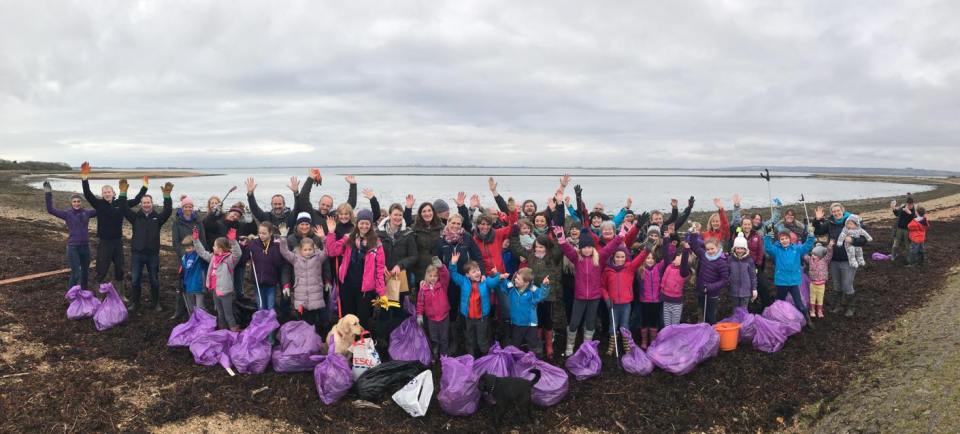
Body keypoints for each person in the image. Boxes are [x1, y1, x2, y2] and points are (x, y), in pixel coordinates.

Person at [79, 162, 147, 299]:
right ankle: (98, 296)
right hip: (104, 242)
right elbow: (87, 194)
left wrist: (144, 187)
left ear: (114, 193)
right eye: (104, 192)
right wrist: (84, 177)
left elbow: (136, 200)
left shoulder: (121, 203)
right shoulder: (99, 204)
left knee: (120, 269)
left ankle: (121, 295)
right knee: (101, 270)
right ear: (102, 194)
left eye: (109, 192)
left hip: (117, 241)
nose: (107, 194)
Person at [558, 226, 621, 357]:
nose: (587, 250)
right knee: (574, 323)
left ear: (593, 247)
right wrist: (561, 239)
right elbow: (566, 248)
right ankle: (569, 347)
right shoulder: (576, 258)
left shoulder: (600, 257)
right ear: (580, 248)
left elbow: (611, 247)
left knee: (590, 323)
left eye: (589, 247)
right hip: (579, 297)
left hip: (594, 297)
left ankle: (587, 347)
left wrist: (622, 234)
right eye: (584, 247)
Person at [325, 210, 386, 332]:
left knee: (362, 320)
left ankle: (361, 346)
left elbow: (379, 270)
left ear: (371, 225)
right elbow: (331, 251)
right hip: (346, 285)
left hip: (365, 290)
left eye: (367, 223)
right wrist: (331, 233)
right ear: (357, 224)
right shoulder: (348, 239)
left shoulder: (377, 243)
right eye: (361, 223)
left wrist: (382, 292)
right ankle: (348, 346)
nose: (364, 226)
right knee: (347, 319)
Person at [119, 181, 174, 312]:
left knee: (154, 280)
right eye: (144, 203)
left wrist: (167, 196)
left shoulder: (158, 219)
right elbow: (123, 208)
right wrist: (122, 193)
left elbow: (167, 210)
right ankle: (135, 303)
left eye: (148, 202)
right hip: (137, 254)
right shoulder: (135, 218)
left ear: (152, 203)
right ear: (141, 204)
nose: (146, 205)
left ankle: (156, 304)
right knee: (135, 281)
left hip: (153, 255)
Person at [814, 203, 869, 317]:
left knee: (847, 285)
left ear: (843, 211)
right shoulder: (830, 223)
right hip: (834, 259)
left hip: (848, 260)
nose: (836, 213)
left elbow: (864, 239)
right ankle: (838, 305)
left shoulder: (852, 221)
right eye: (834, 211)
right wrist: (816, 220)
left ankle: (850, 307)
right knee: (837, 285)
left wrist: (853, 240)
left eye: (838, 211)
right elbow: (818, 231)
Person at [447, 251, 503, 357]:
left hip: (481, 317)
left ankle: (485, 355)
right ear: (467, 275)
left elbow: (494, 282)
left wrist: (496, 274)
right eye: (473, 272)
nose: (477, 273)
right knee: (469, 337)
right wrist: (453, 264)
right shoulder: (463, 281)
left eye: (478, 270)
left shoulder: (485, 282)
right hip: (468, 317)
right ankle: (471, 356)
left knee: (482, 338)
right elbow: (453, 274)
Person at [44, 181, 97, 291]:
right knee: (76, 273)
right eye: (74, 201)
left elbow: (102, 209)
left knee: (85, 273)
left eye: (78, 201)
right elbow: (50, 210)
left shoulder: (87, 213)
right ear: (71, 203)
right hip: (73, 247)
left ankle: (84, 293)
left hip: (85, 247)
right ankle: (71, 295)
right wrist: (48, 193)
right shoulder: (67, 214)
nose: (76, 203)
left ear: (81, 203)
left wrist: (111, 200)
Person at [278, 230, 331, 336]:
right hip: (301, 296)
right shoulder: (295, 258)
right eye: (305, 250)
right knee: (302, 321)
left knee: (313, 320)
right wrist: (283, 238)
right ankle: (304, 341)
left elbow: (327, 251)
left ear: (314, 248)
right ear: (300, 250)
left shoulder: (318, 258)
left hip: (315, 295)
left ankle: (314, 340)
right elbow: (284, 252)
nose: (308, 251)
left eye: (310, 249)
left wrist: (323, 239)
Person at [764, 226, 816, 327]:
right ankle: (778, 318)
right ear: (779, 240)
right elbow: (768, 247)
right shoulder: (776, 250)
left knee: (799, 303)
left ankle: (807, 319)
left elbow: (807, 246)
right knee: (779, 302)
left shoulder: (796, 248)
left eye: (786, 238)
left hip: (793, 282)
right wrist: (768, 237)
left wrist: (811, 236)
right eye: (782, 239)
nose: (784, 240)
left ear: (790, 239)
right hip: (781, 282)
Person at [601, 246, 649, 354]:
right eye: (617, 257)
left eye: (622, 257)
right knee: (612, 324)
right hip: (612, 304)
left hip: (626, 303)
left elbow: (639, 260)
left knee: (625, 324)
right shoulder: (608, 270)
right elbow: (602, 286)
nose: (620, 259)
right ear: (613, 257)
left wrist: (647, 250)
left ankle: (626, 344)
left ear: (626, 257)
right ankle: (612, 345)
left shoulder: (629, 268)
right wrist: (607, 298)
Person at [192, 227, 242, 331]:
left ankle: (234, 331)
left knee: (228, 315)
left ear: (221, 248)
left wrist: (233, 241)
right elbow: (202, 252)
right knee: (220, 314)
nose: (213, 247)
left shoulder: (229, 260)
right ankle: (222, 332)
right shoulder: (213, 257)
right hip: (215, 291)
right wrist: (196, 240)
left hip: (225, 293)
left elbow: (238, 254)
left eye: (214, 246)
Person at [498, 269, 550, 357]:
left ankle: (534, 361)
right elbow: (505, 285)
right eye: (516, 278)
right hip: (516, 322)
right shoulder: (512, 288)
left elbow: (541, 295)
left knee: (532, 344)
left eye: (518, 279)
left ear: (526, 282)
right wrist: (502, 278)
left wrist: (544, 286)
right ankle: (515, 360)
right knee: (515, 343)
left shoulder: (533, 290)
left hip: (530, 324)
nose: (515, 280)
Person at [170, 195, 206, 320]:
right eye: (186, 206)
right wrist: (184, 255)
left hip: (197, 257)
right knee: (183, 284)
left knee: (197, 283)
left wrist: (200, 253)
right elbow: (175, 242)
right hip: (184, 257)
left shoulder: (198, 221)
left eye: (190, 206)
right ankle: (180, 310)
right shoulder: (177, 222)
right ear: (182, 207)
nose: (188, 208)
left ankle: (200, 311)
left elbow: (203, 239)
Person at [244, 222, 289, 312]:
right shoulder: (254, 244)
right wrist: (243, 245)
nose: (261, 235)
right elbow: (245, 257)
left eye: (264, 233)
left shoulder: (276, 245)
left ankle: (270, 324)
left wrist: (278, 245)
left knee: (270, 306)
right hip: (258, 281)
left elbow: (278, 262)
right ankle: (262, 324)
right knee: (260, 306)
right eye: (259, 233)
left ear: (270, 233)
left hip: (271, 282)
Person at [689, 229, 729, 325]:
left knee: (710, 316)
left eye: (712, 249)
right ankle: (704, 334)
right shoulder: (703, 255)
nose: (710, 251)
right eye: (708, 249)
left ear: (717, 247)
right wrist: (694, 234)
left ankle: (712, 335)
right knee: (702, 312)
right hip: (701, 290)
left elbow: (724, 279)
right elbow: (694, 246)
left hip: (712, 294)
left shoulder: (721, 261)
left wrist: (711, 287)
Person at [416, 258, 450, 359]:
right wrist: (419, 315)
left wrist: (441, 267)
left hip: (444, 316)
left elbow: (446, 276)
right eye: (430, 276)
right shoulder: (423, 289)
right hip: (431, 318)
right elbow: (420, 303)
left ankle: (444, 355)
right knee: (434, 338)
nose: (433, 278)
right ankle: (435, 355)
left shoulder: (442, 285)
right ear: (427, 276)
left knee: (444, 338)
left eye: (435, 276)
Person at [660, 240, 691, 327]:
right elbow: (665, 255)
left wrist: (686, 250)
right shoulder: (669, 266)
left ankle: (674, 340)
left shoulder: (683, 272)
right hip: (666, 301)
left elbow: (684, 262)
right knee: (666, 325)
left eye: (679, 256)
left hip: (676, 304)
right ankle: (668, 340)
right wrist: (666, 240)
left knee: (675, 326)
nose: (677, 257)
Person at [728, 230, 758, 310]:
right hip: (733, 291)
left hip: (746, 292)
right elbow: (727, 273)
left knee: (744, 310)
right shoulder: (730, 259)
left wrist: (754, 288)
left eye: (742, 248)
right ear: (734, 249)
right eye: (737, 248)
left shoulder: (749, 260)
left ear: (745, 249)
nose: (739, 251)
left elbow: (753, 276)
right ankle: (736, 322)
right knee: (735, 310)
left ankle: (744, 322)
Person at [804, 241, 834, 318]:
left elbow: (829, 254)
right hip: (813, 284)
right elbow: (804, 255)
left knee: (820, 298)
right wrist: (803, 247)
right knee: (812, 298)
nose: (813, 255)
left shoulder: (824, 261)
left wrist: (830, 246)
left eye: (815, 254)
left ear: (820, 255)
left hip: (821, 284)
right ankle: (812, 310)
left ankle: (820, 311)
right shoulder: (810, 260)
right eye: (812, 254)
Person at [178, 236, 206, 315]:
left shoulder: (200, 256)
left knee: (200, 306)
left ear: (195, 246)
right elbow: (183, 270)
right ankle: (193, 320)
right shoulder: (184, 258)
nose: (187, 250)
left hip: (198, 284)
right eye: (186, 248)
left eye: (190, 248)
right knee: (191, 307)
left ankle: (203, 322)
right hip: (188, 284)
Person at [890, 195, 915, 262]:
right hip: (899, 228)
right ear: (906, 203)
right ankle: (893, 256)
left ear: (913, 204)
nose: (909, 206)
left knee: (908, 245)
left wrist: (909, 212)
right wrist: (893, 208)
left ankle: (909, 258)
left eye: (910, 205)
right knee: (896, 244)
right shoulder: (903, 207)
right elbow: (897, 214)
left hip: (908, 230)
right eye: (908, 204)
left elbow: (915, 218)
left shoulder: (914, 210)